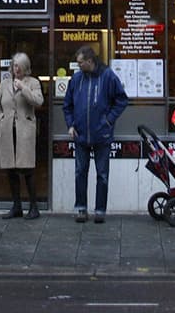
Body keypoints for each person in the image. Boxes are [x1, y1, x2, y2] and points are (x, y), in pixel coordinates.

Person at [63, 46, 128, 223]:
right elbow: (67, 105)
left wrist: (109, 120)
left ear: (90, 61)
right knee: (80, 173)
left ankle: (100, 211)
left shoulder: (108, 76)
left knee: (102, 175)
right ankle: (81, 209)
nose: (78, 66)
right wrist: (70, 125)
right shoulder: (76, 79)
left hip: (102, 135)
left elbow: (122, 99)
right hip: (81, 135)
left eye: (80, 62)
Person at [0, 52, 44, 219]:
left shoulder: (33, 82)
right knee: (10, 170)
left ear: (25, 68)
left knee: (27, 169)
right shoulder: (4, 83)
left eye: (19, 66)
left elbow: (38, 101)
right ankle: (16, 206)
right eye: (14, 66)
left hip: (25, 131)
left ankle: (34, 207)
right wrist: (0, 119)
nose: (16, 69)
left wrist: (23, 88)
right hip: (8, 131)